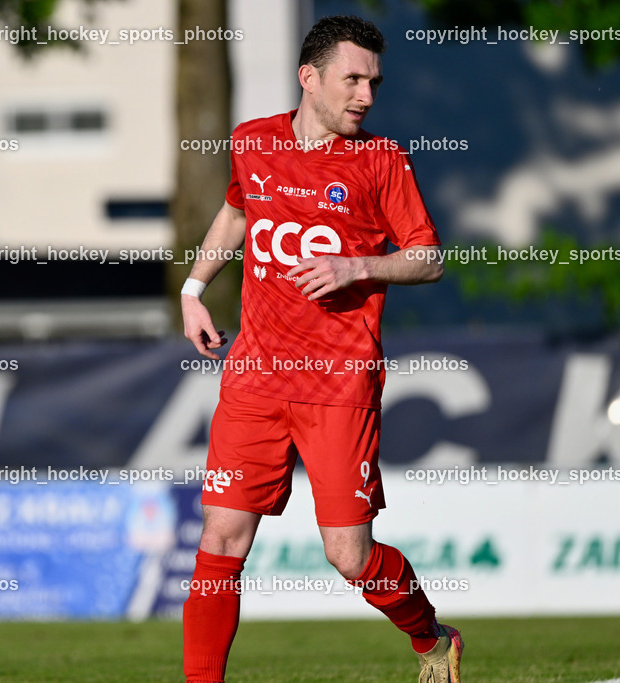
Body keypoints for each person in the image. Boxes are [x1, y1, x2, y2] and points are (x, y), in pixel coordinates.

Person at [178, 14, 463, 683]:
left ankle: (431, 635)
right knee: (219, 541)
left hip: (339, 385)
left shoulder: (381, 160)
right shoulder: (252, 141)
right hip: (254, 376)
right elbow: (238, 210)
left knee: (349, 555)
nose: (366, 94)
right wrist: (195, 286)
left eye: (374, 82)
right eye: (353, 79)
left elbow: (428, 259)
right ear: (310, 77)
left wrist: (356, 267)